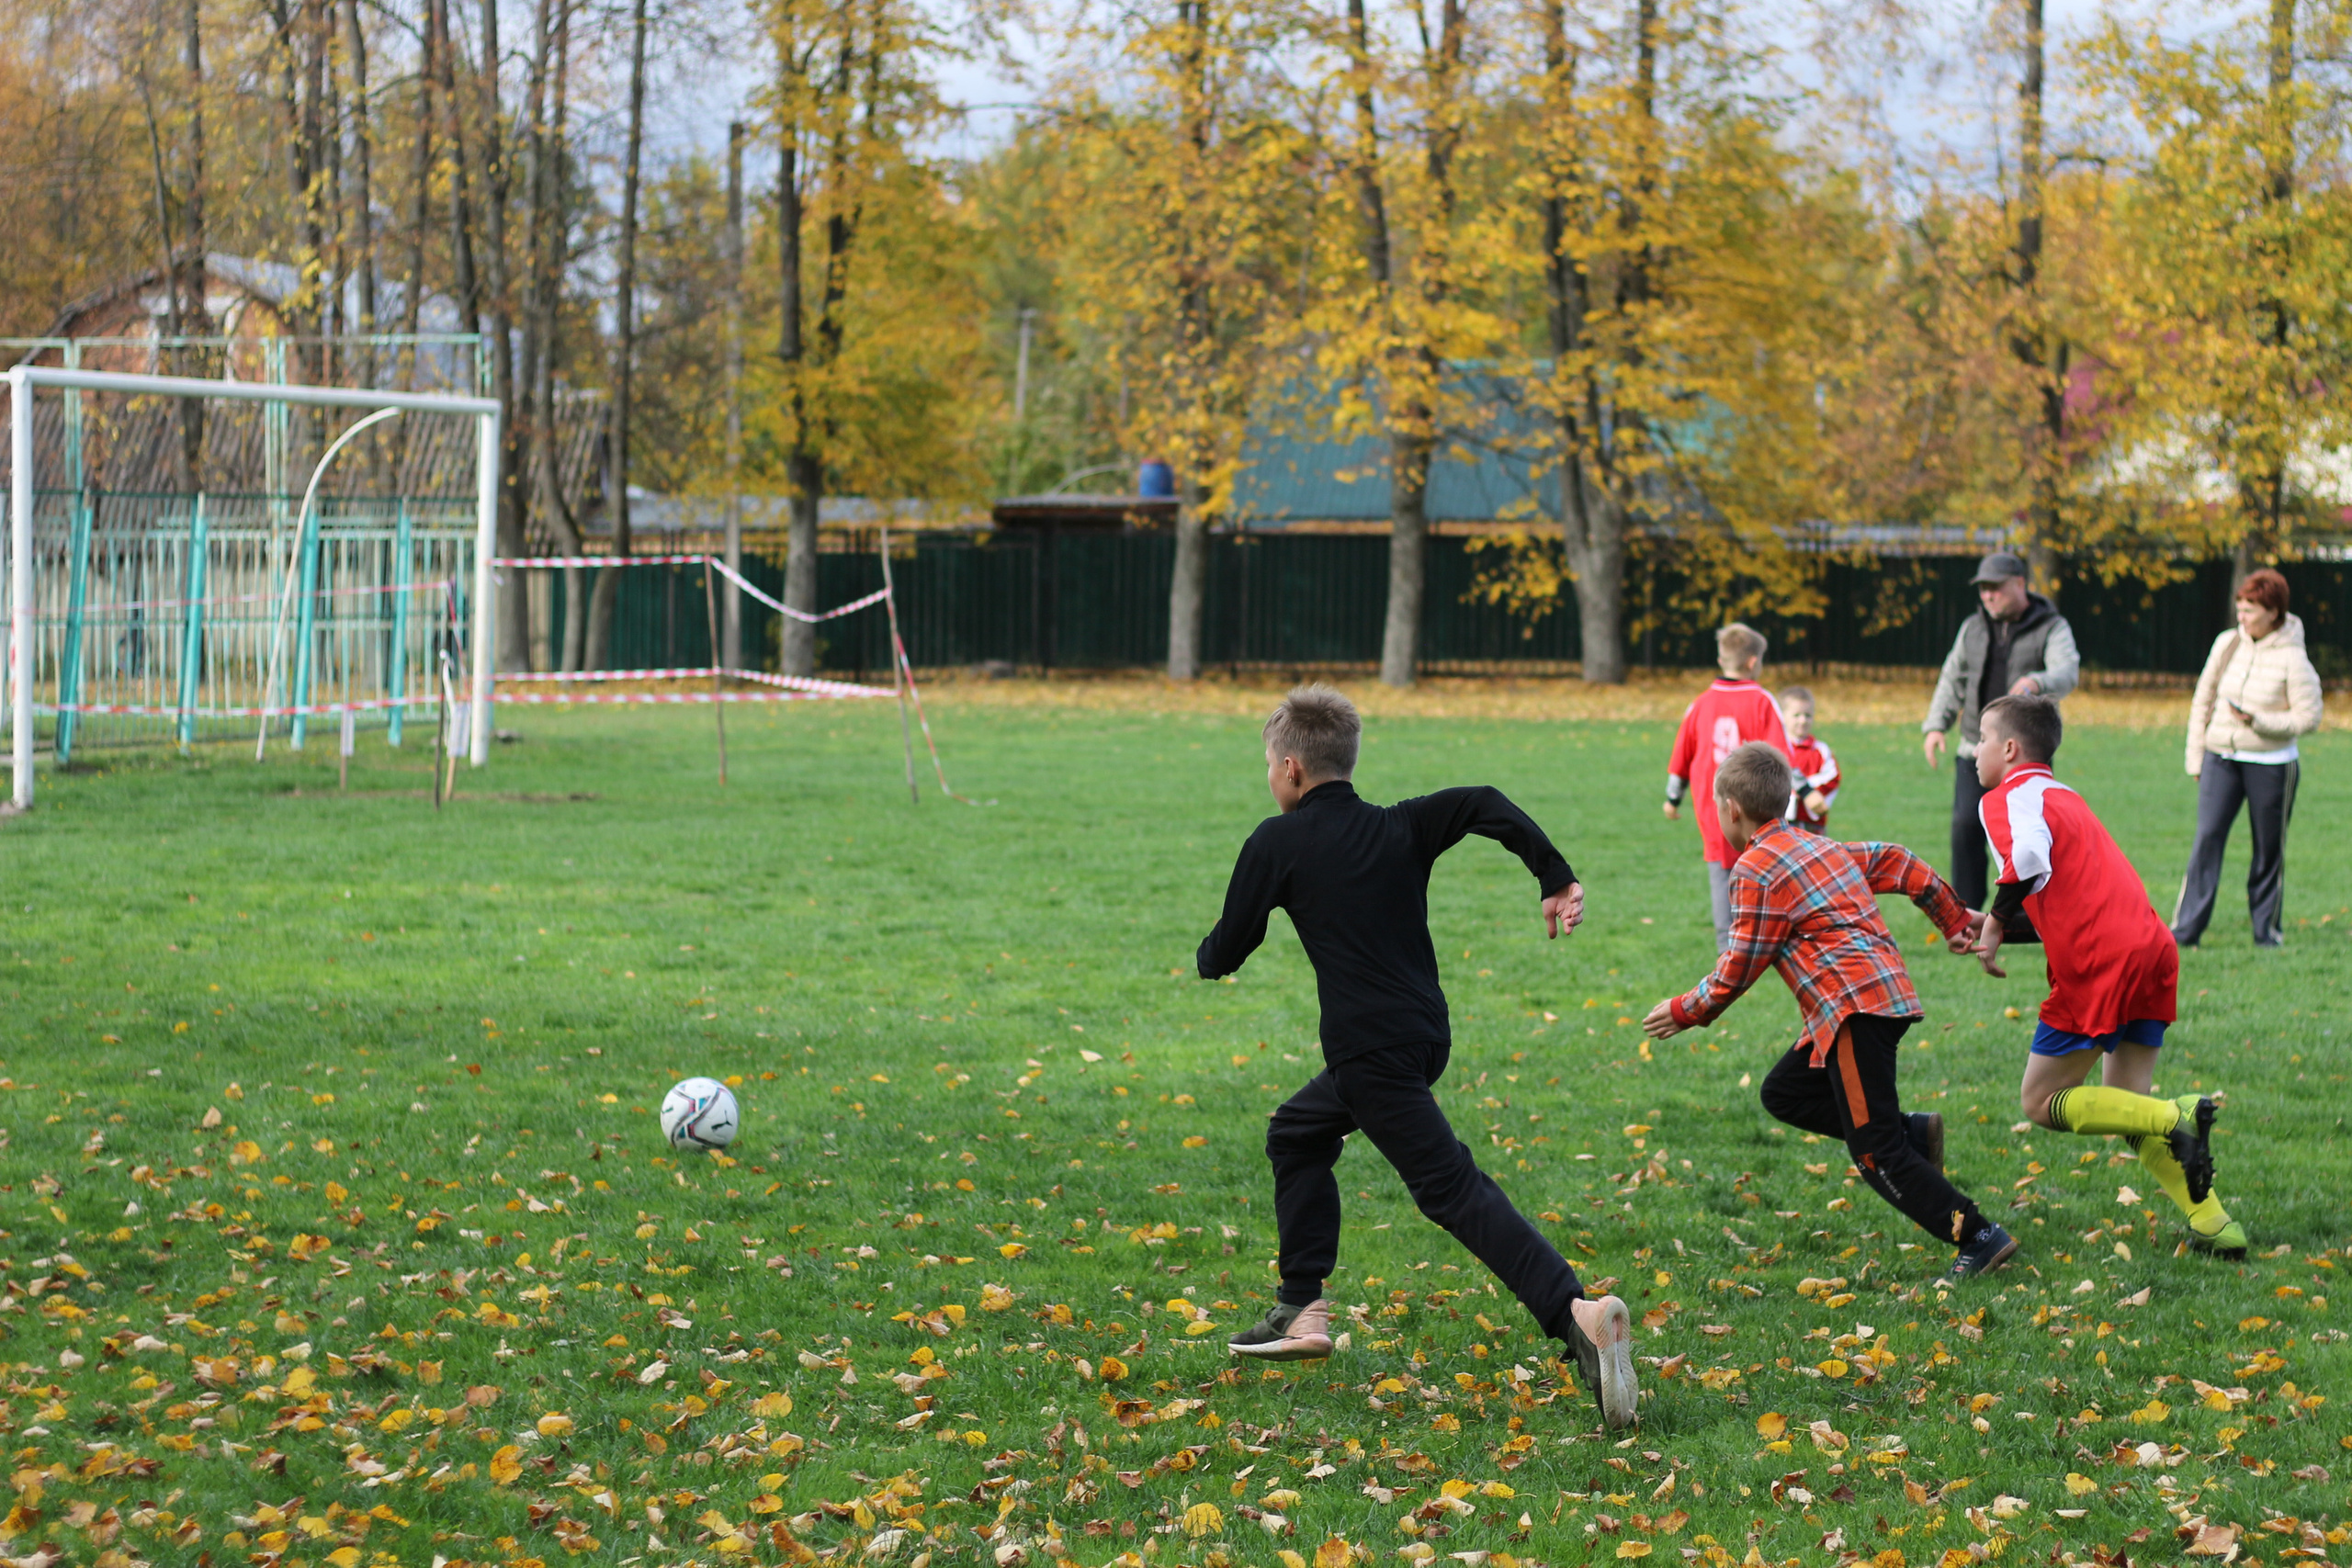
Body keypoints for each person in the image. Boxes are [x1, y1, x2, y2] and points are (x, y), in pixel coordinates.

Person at [1196, 683, 1641, 1428]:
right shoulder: (1400, 826)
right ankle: (1301, 1305)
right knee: (1297, 1131)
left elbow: (1229, 947)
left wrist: (1208, 954)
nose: (1271, 779)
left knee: (1450, 1189)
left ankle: (1577, 1314)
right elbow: (1483, 801)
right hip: (1421, 1035)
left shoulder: (1278, 841)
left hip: (1370, 1051)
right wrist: (1553, 875)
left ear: (1294, 770)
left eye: (1271, 767)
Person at [1641, 742, 2018, 1279]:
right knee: (1785, 1091)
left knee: (1875, 1154)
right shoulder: (1820, 846)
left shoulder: (1754, 871)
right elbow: (1897, 860)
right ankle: (1912, 1134)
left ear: (1730, 810)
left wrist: (1684, 1010)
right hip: (1880, 998)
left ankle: (1978, 1235)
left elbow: (1739, 966)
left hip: (1852, 1011)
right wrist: (1951, 916)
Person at [1968, 694, 2241, 1259]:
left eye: (1982, 738)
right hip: (2151, 947)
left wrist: (1994, 926)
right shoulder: (2065, 796)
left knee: (2041, 1101)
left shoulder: (2004, 797)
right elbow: (2064, 897)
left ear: (2010, 749)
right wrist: (1995, 924)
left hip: (2101, 963)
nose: (1974, 751)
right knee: (2126, 1104)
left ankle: (2178, 1114)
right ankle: (2215, 1226)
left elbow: (2029, 860)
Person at [2172, 568, 2324, 949]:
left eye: (2250, 610)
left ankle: (2266, 933)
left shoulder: (2294, 658)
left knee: (2268, 850)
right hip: (2220, 758)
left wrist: (2259, 721)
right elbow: (2202, 700)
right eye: (2239, 608)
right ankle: (2185, 931)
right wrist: (2196, 760)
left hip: (2272, 765)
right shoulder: (2227, 644)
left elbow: (2309, 717)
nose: (2241, 617)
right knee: (2206, 840)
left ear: (2273, 612)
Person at [1922, 552, 2080, 908]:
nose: (1988, 596)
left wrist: (2037, 682)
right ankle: (1966, 911)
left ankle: (2032, 911)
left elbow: (2068, 672)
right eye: (1983, 589)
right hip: (1974, 748)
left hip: (2024, 755)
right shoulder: (1973, 628)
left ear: (2020, 584)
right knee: (1966, 825)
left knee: (2028, 835)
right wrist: (1935, 726)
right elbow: (1953, 677)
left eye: (1996, 588)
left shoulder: (2050, 626)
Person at [1667, 624, 1792, 950]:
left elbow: (1681, 755)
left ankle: (1729, 950)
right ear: (1753, 662)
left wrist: (1672, 798)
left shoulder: (1701, 704)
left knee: (1722, 876)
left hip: (1714, 810)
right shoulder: (1762, 701)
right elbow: (1780, 757)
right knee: (1765, 872)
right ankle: (1768, 941)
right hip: (1757, 808)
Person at [1780, 685, 1840, 831]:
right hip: (1781, 821)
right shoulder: (1777, 748)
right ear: (1782, 716)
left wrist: (1807, 790)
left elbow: (1833, 777)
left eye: (1807, 715)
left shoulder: (1819, 750)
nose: (1802, 721)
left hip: (1811, 823)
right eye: (1796, 715)